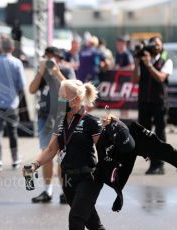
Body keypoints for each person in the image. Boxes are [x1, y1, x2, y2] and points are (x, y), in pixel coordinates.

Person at [24, 80, 105, 230]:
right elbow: (50, 150)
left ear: (77, 100)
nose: (59, 100)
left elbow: (105, 151)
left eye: (63, 96)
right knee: (92, 223)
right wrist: (34, 165)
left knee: (75, 220)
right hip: (68, 181)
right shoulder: (60, 122)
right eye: (59, 96)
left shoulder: (91, 122)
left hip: (88, 179)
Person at [96, 115, 177, 212]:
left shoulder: (133, 127)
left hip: (135, 135)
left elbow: (159, 146)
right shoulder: (103, 142)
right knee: (104, 173)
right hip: (119, 149)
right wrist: (119, 195)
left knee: (162, 149)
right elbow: (105, 165)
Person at [29, 47, 68, 204]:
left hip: (62, 118)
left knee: (62, 157)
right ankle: (47, 191)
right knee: (46, 154)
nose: (51, 61)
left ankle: (65, 191)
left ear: (59, 58)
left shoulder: (65, 70)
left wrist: (57, 71)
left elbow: (71, 87)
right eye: (48, 57)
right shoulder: (42, 74)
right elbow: (31, 89)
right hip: (45, 118)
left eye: (54, 58)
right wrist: (41, 71)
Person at [0, 38, 26, 173]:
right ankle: (14, 160)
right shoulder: (17, 63)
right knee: (12, 131)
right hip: (12, 103)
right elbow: (22, 85)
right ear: (12, 49)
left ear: (1, 48)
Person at [133, 36, 173, 175]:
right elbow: (134, 79)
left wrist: (149, 65)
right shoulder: (143, 62)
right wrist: (137, 63)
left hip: (159, 102)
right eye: (153, 44)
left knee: (160, 134)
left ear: (161, 47)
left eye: (158, 44)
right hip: (144, 102)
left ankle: (160, 164)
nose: (156, 46)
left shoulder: (166, 61)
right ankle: (152, 164)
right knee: (146, 134)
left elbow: (161, 78)